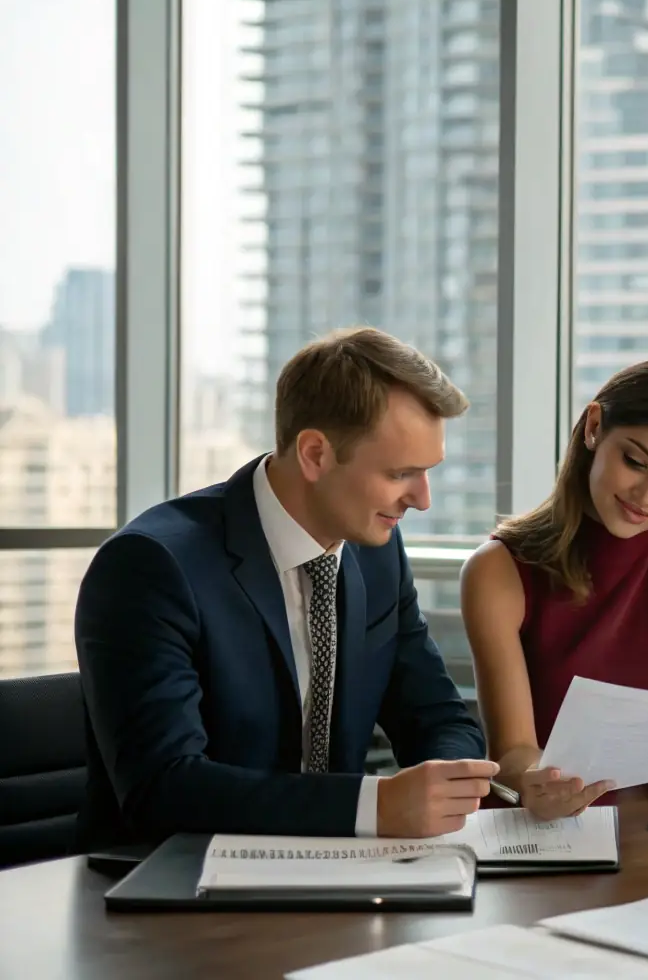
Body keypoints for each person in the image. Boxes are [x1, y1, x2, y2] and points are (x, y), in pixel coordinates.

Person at [76, 327, 497, 849]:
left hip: (336, 880)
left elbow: (437, 714)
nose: (422, 500)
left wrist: (451, 779)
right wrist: (377, 805)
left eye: (427, 473)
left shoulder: (376, 551)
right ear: (316, 454)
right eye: (401, 473)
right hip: (172, 890)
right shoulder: (151, 566)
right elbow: (163, 790)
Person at [460, 358, 648, 821]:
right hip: (549, 823)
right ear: (594, 427)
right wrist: (546, 782)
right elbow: (513, 756)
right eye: (635, 462)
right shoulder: (498, 569)